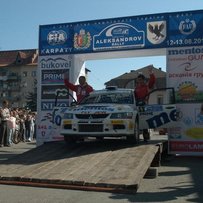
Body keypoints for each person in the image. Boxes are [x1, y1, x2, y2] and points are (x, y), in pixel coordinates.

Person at [134, 67, 156, 142]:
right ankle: (136, 136)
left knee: (144, 122)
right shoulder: (136, 88)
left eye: (141, 80)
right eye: (138, 80)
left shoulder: (147, 86)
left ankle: (146, 137)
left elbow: (152, 80)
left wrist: (151, 73)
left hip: (144, 106)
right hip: (136, 106)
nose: (140, 81)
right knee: (137, 122)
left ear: (144, 80)